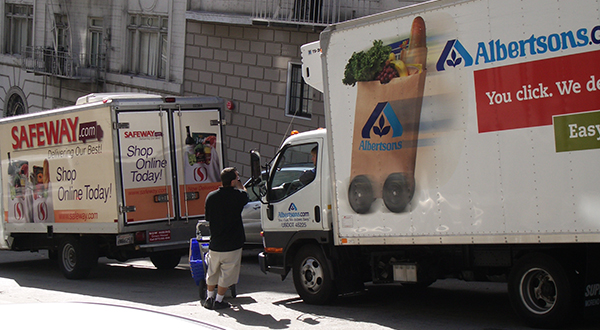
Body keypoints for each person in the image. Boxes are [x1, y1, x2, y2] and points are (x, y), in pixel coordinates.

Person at [203, 167, 249, 310]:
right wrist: (240, 182)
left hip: (215, 242)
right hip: (233, 242)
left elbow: (208, 218)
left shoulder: (211, 197)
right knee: (227, 273)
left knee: (212, 271)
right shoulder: (238, 196)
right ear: (233, 181)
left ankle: (209, 298)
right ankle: (219, 300)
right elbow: (246, 194)